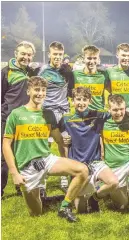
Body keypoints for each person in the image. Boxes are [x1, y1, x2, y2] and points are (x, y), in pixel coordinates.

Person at [2, 76, 88, 222]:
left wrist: (66, 140)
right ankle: (48, 199)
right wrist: (14, 173)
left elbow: (58, 139)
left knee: (82, 170)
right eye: (36, 90)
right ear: (28, 91)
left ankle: (64, 206)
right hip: (27, 167)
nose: (40, 93)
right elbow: (5, 144)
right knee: (36, 213)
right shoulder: (16, 114)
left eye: (43, 90)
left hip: (47, 159)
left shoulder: (48, 114)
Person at [59, 87, 120, 213]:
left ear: (90, 101)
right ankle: (83, 192)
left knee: (113, 182)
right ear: (72, 101)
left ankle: (94, 198)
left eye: (85, 99)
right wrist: (63, 138)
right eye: (78, 99)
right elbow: (56, 136)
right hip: (77, 165)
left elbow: (117, 112)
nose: (81, 102)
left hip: (95, 162)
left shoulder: (98, 115)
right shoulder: (65, 119)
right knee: (81, 210)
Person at [1, 41, 38, 197]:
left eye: (29, 55)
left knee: (23, 155)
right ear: (16, 54)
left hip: (26, 121)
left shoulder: (31, 72)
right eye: (23, 53)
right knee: (3, 156)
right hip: (7, 119)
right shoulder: (5, 72)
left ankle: (21, 186)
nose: (26, 57)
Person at [38, 41, 74, 192]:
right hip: (48, 113)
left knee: (64, 144)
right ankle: (41, 179)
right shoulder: (43, 71)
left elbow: (71, 89)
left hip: (64, 112)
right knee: (44, 145)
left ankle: (64, 176)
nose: (57, 57)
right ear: (49, 54)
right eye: (55, 54)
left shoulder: (66, 71)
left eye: (60, 54)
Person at [105, 43, 129, 114]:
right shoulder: (109, 72)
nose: (126, 58)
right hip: (115, 111)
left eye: (128, 56)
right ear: (117, 55)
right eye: (123, 55)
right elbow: (107, 91)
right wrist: (107, 106)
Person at [73, 45, 107, 111]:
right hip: (81, 114)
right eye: (89, 58)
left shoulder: (104, 75)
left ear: (98, 59)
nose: (92, 61)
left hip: (98, 114)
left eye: (95, 58)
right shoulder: (75, 75)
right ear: (84, 58)